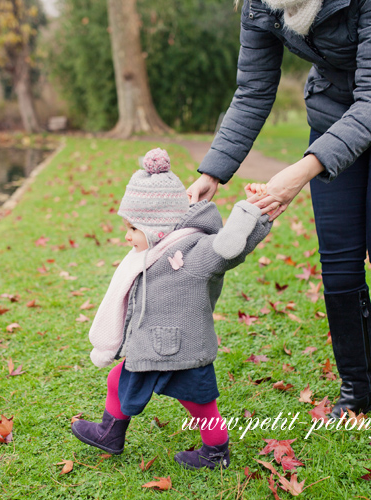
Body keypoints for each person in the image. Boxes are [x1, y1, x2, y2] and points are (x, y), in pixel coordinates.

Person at [187, 0, 371, 422]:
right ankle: (357, 390)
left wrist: (300, 173)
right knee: (339, 259)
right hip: (334, 109)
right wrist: (213, 172)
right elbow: (253, 90)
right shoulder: (261, 5)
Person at [71, 148, 272, 469]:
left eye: (133, 229)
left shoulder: (193, 254)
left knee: (202, 407)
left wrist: (252, 211)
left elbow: (229, 248)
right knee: (119, 381)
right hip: (156, 347)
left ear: (158, 229)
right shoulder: (153, 251)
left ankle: (215, 454)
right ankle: (111, 434)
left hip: (177, 350)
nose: (127, 236)